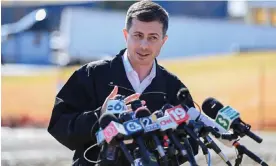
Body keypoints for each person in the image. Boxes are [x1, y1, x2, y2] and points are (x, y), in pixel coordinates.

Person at [48, 1, 198, 165]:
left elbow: (192, 144)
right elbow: (60, 126)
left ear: (163, 40)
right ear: (126, 35)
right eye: (138, 35)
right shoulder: (91, 75)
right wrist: (100, 115)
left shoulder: (173, 87)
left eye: (153, 38)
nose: (144, 45)